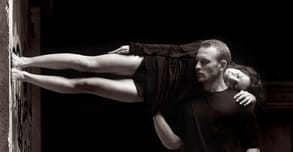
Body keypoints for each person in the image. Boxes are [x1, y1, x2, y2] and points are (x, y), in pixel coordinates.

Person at [12, 39, 262, 114]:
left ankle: (23, 76)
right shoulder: (213, 52)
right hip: (150, 64)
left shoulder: (213, 95)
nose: (231, 78)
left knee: (85, 85)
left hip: (149, 92)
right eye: (236, 74)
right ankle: (25, 61)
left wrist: (250, 97)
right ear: (231, 64)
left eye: (234, 84)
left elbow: (232, 110)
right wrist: (137, 48)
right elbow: (173, 49)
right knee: (86, 62)